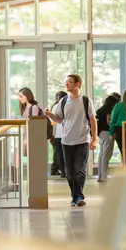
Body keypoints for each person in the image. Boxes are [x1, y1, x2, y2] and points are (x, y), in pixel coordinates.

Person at [45, 74, 97, 207]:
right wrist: (50, 115)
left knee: (79, 170)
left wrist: (94, 139)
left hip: (82, 140)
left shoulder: (86, 101)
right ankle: (75, 196)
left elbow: (92, 120)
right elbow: (59, 120)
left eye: (69, 82)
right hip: (66, 141)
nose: (66, 84)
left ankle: (78, 196)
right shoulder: (63, 102)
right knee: (69, 173)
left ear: (77, 84)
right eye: (66, 82)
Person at [95, 93, 121, 182]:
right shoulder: (109, 109)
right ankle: (104, 176)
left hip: (101, 133)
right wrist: (113, 130)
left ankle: (100, 176)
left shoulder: (100, 110)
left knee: (102, 154)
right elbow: (109, 121)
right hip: (107, 133)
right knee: (106, 155)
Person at [51, 91, 67, 179]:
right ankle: (67, 171)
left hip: (58, 134)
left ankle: (63, 172)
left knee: (59, 154)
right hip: (67, 134)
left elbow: (52, 122)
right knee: (67, 153)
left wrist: (52, 134)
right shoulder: (68, 105)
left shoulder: (55, 107)